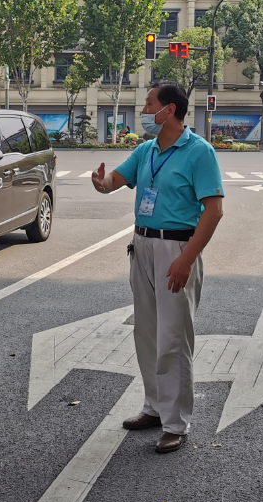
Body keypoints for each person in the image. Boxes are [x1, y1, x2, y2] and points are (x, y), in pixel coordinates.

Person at [91, 82, 223, 453]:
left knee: (173, 338)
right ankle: (154, 406)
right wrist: (102, 183)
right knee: (147, 333)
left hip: (176, 246)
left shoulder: (199, 152)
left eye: (150, 104)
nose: (144, 110)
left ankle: (176, 422)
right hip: (143, 244)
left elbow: (214, 211)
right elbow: (116, 181)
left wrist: (186, 259)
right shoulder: (146, 150)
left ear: (169, 110)